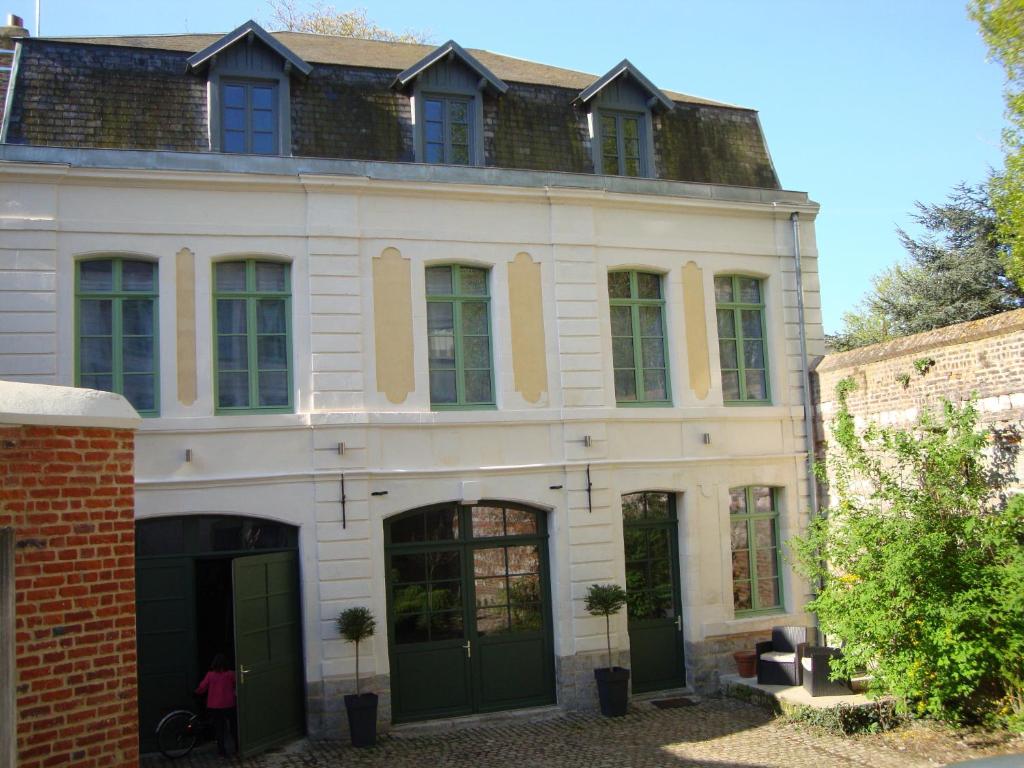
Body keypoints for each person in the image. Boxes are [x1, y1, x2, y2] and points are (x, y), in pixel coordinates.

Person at [195, 653, 236, 757]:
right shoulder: (230, 674)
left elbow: (202, 687)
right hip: (228, 705)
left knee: (219, 729)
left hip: (214, 706)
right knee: (233, 727)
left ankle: (222, 751)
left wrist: (196, 692)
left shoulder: (210, 675)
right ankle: (237, 747)